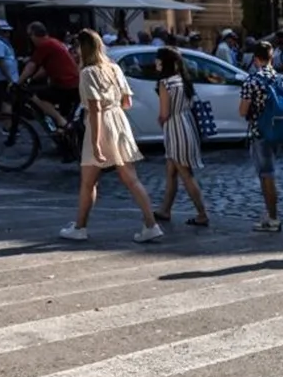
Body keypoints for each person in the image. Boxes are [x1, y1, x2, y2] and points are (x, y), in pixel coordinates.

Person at [58, 29, 162, 243]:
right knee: (131, 179)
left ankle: (80, 227)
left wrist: (95, 143)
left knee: (88, 182)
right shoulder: (114, 67)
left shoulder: (87, 73)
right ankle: (151, 224)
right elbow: (127, 102)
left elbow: (95, 109)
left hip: (101, 123)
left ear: (82, 49)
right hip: (119, 121)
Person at [150, 45, 210, 228]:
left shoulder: (165, 83)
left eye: (158, 59)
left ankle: (202, 214)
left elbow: (164, 113)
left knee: (185, 173)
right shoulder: (182, 80)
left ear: (164, 62)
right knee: (171, 172)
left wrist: (161, 122)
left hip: (174, 129)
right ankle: (165, 210)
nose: (155, 62)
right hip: (187, 125)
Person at [239, 41, 283, 233]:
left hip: (260, 131)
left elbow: (243, 110)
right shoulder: (280, 78)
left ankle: (273, 218)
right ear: (271, 57)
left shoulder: (252, 80)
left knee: (267, 175)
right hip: (279, 131)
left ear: (255, 59)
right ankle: (269, 214)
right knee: (268, 173)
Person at [18, 21, 79, 131]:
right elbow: (44, 69)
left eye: (30, 35)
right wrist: (31, 79)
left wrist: (19, 82)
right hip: (72, 83)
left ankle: (61, 121)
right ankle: (63, 129)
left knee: (37, 96)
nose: (30, 39)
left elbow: (31, 66)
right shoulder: (53, 42)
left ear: (34, 34)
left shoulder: (45, 45)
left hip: (66, 84)